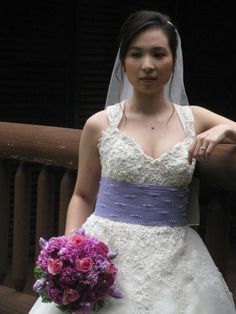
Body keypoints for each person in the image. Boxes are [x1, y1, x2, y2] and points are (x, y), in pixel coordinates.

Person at [29, 10, 236, 314]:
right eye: (136, 54)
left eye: (158, 54)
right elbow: (83, 195)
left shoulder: (196, 117)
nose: (147, 65)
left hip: (176, 255)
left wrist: (227, 128)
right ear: (124, 62)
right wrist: (71, 251)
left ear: (174, 62)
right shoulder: (100, 124)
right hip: (108, 251)